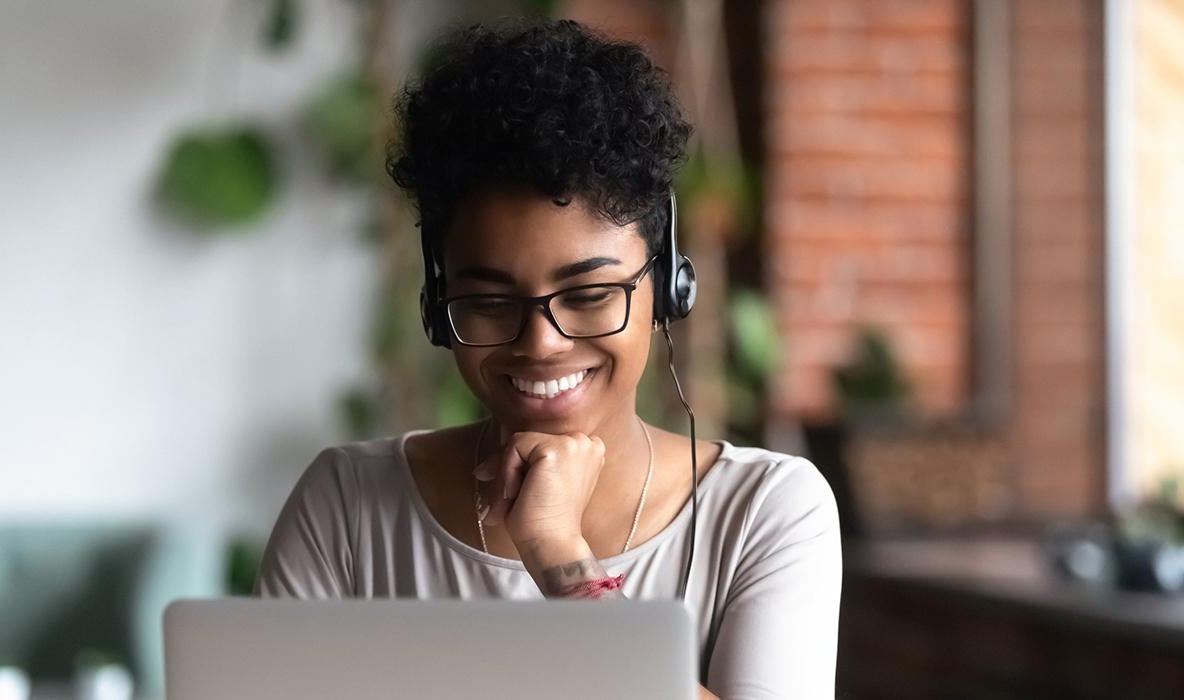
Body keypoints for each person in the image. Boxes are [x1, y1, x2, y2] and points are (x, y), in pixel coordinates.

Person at [255, 18, 841, 699]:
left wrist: (558, 553)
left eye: (589, 294)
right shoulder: (349, 507)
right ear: (437, 307)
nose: (540, 343)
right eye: (488, 300)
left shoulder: (764, 511)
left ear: (667, 287)